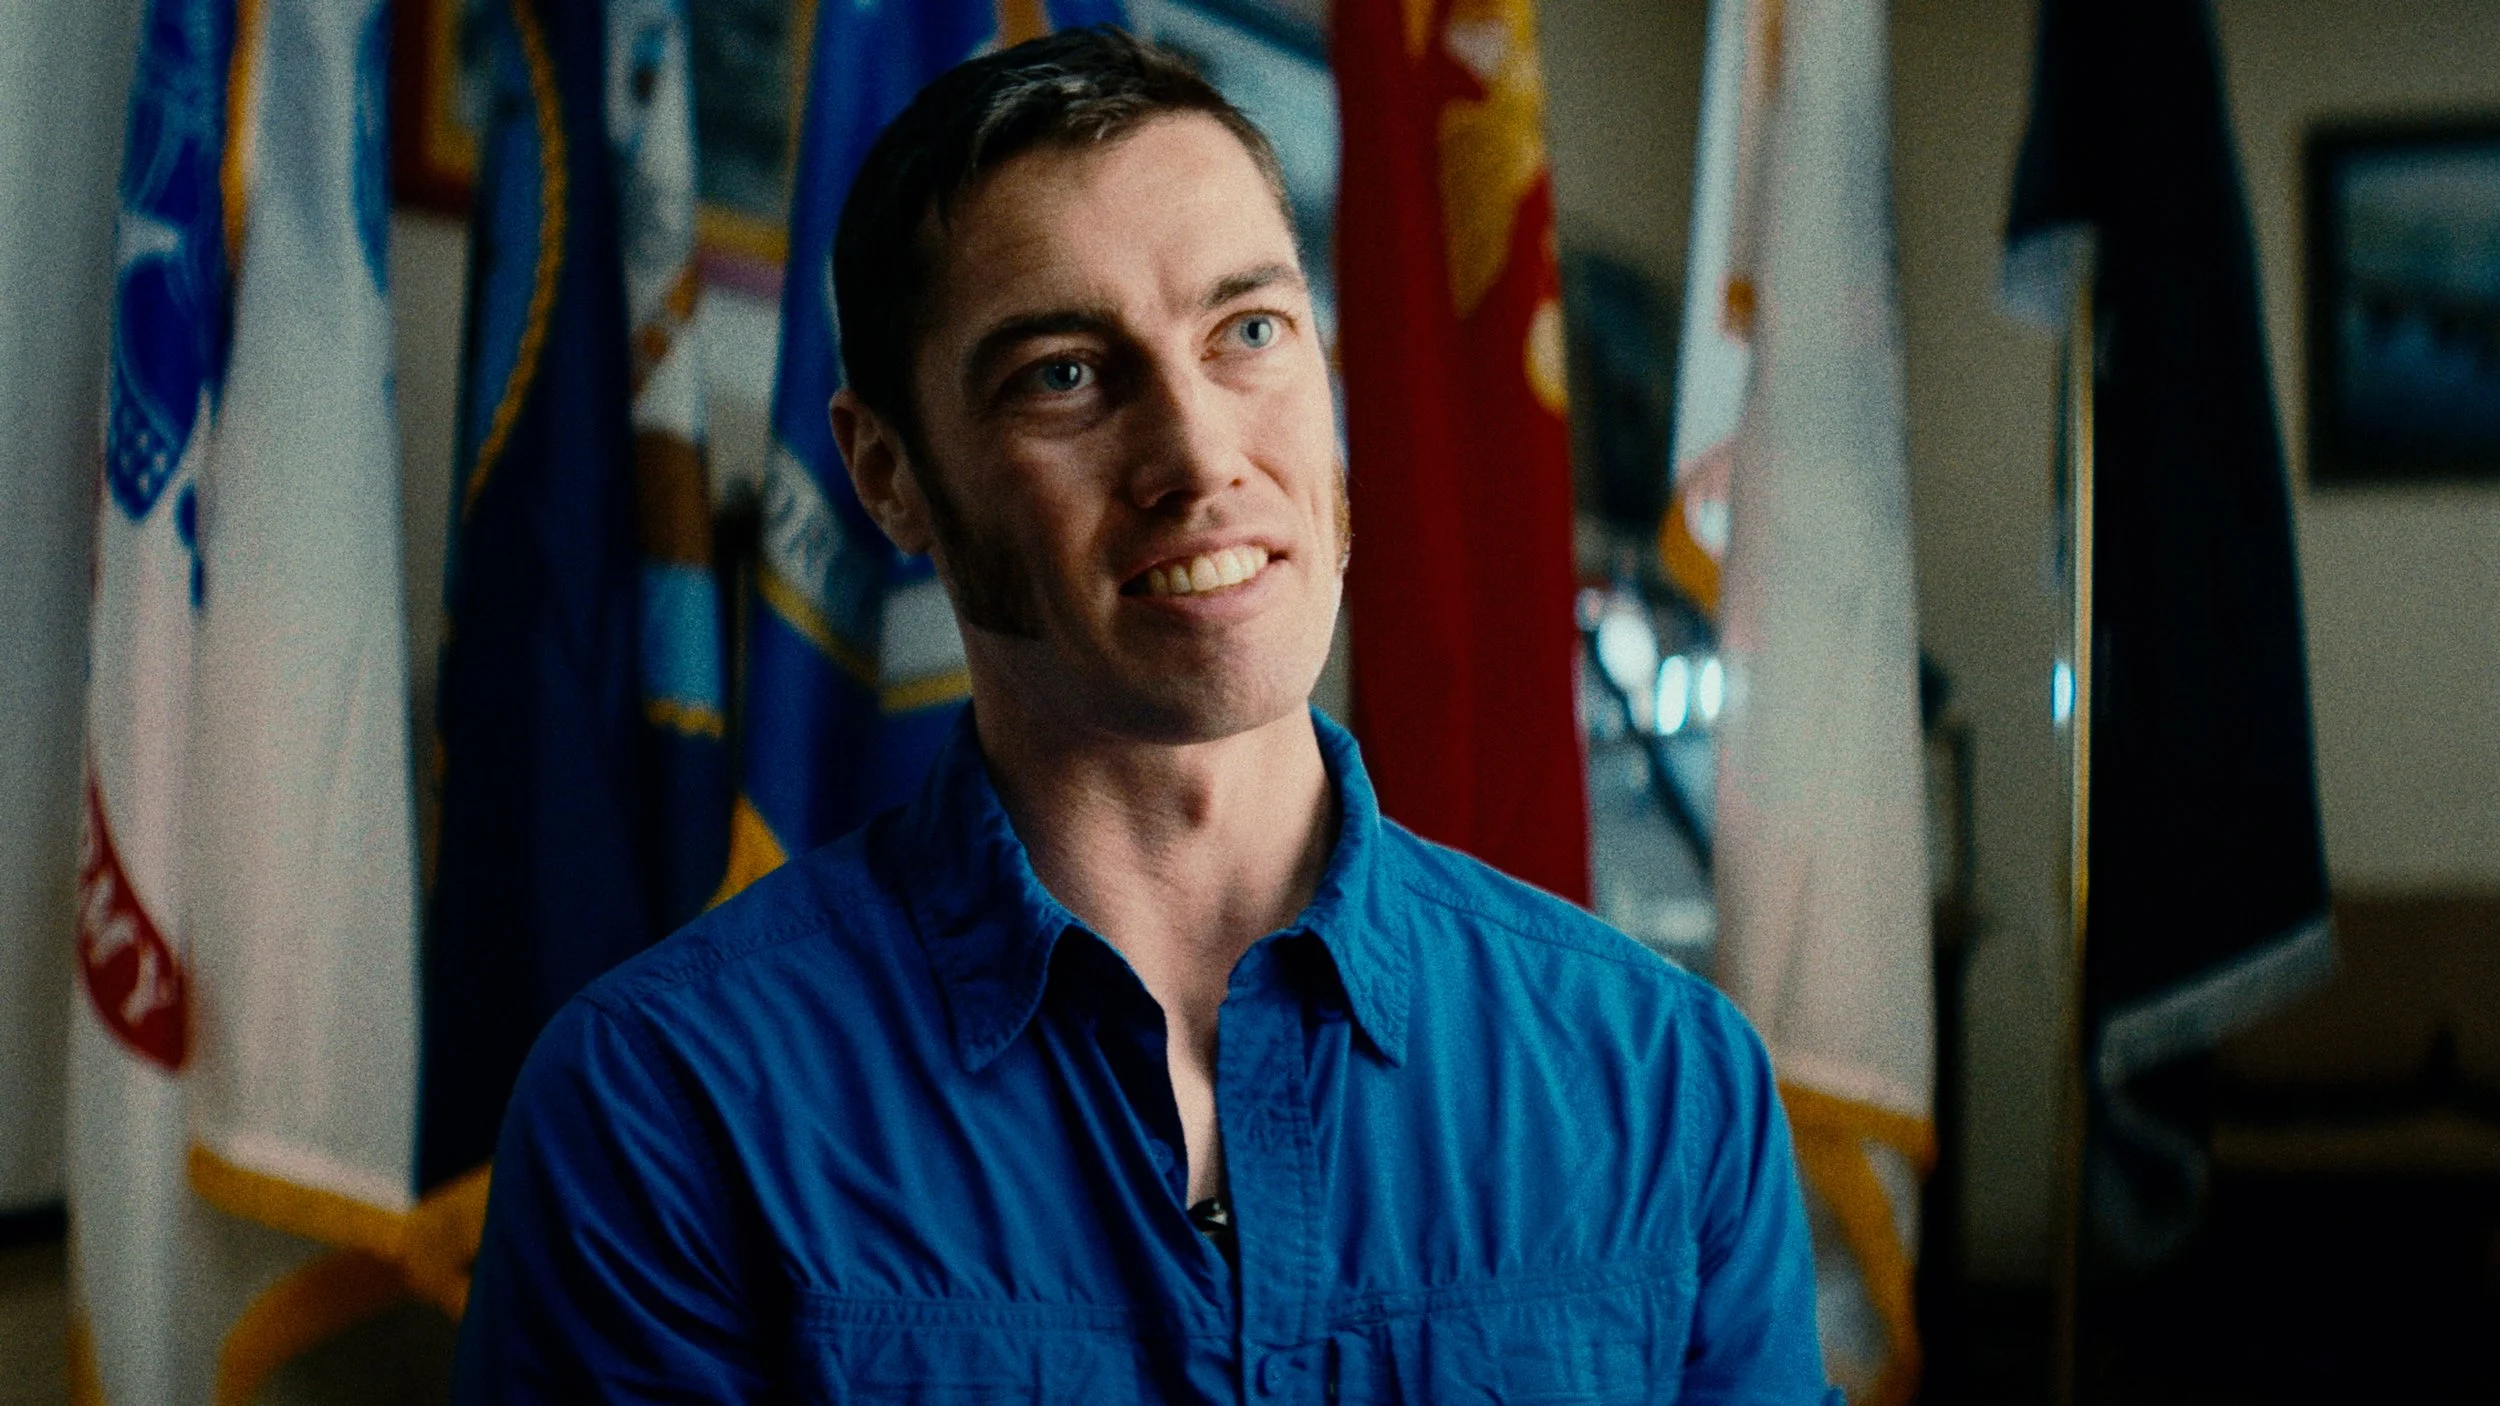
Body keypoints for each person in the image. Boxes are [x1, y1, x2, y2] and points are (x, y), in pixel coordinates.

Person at [454, 26, 1835, 1403]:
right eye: (1064, 373)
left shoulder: (1667, 1085)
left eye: (1249, 333)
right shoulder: (669, 1108)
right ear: (887, 475)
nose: (1197, 453)